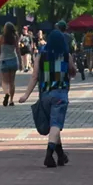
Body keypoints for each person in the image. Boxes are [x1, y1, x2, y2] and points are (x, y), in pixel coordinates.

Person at [17, 24, 72, 168]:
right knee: (56, 125)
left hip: (45, 94)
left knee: (54, 123)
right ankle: (49, 155)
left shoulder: (41, 55)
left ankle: (61, 156)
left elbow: (34, 76)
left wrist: (26, 95)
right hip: (60, 93)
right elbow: (73, 71)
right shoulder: (66, 55)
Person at [0, 22, 21, 106]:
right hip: (13, 60)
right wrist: (20, 62)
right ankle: (11, 100)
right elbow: (17, 50)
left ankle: (6, 93)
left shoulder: (1, 38)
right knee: (12, 82)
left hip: (4, 60)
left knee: (4, 81)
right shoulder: (15, 37)